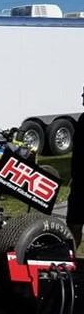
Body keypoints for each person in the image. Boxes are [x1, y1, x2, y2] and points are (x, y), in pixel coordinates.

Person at [67, 85, 84, 248]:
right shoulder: (82, 120)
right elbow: (77, 152)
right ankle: (72, 255)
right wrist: (74, 175)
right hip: (79, 182)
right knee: (73, 224)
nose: (83, 99)